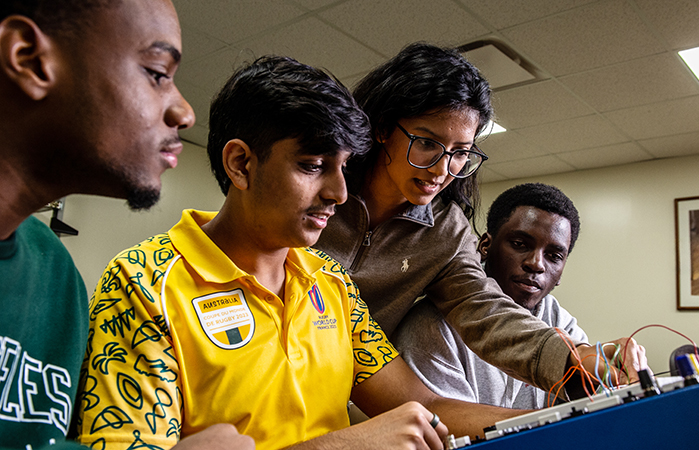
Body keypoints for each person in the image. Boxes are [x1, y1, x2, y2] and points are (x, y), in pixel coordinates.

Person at [74, 55, 527, 450]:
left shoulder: (330, 282)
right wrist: (347, 445)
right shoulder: (143, 283)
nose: (338, 192)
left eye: (343, 167)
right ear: (241, 164)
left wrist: (560, 421)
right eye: (312, 166)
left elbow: (426, 404)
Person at [314, 42, 646, 395]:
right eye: (426, 143)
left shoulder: (446, 232)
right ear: (382, 128)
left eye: (459, 153)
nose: (442, 171)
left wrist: (574, 356)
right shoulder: (317, 189)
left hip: (349, 393)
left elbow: (484, 311)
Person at [0, 1, 250, 448]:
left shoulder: (56, 278)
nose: (185, 112)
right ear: (30, 60)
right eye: (157, 73)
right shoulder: (139, 279)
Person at [393, 183, 590, 409]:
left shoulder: (559, 320)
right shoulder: (431, 326)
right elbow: (448, 432)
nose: (536, 264)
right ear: (485, 246)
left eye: (553, 256)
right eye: (519, 244)